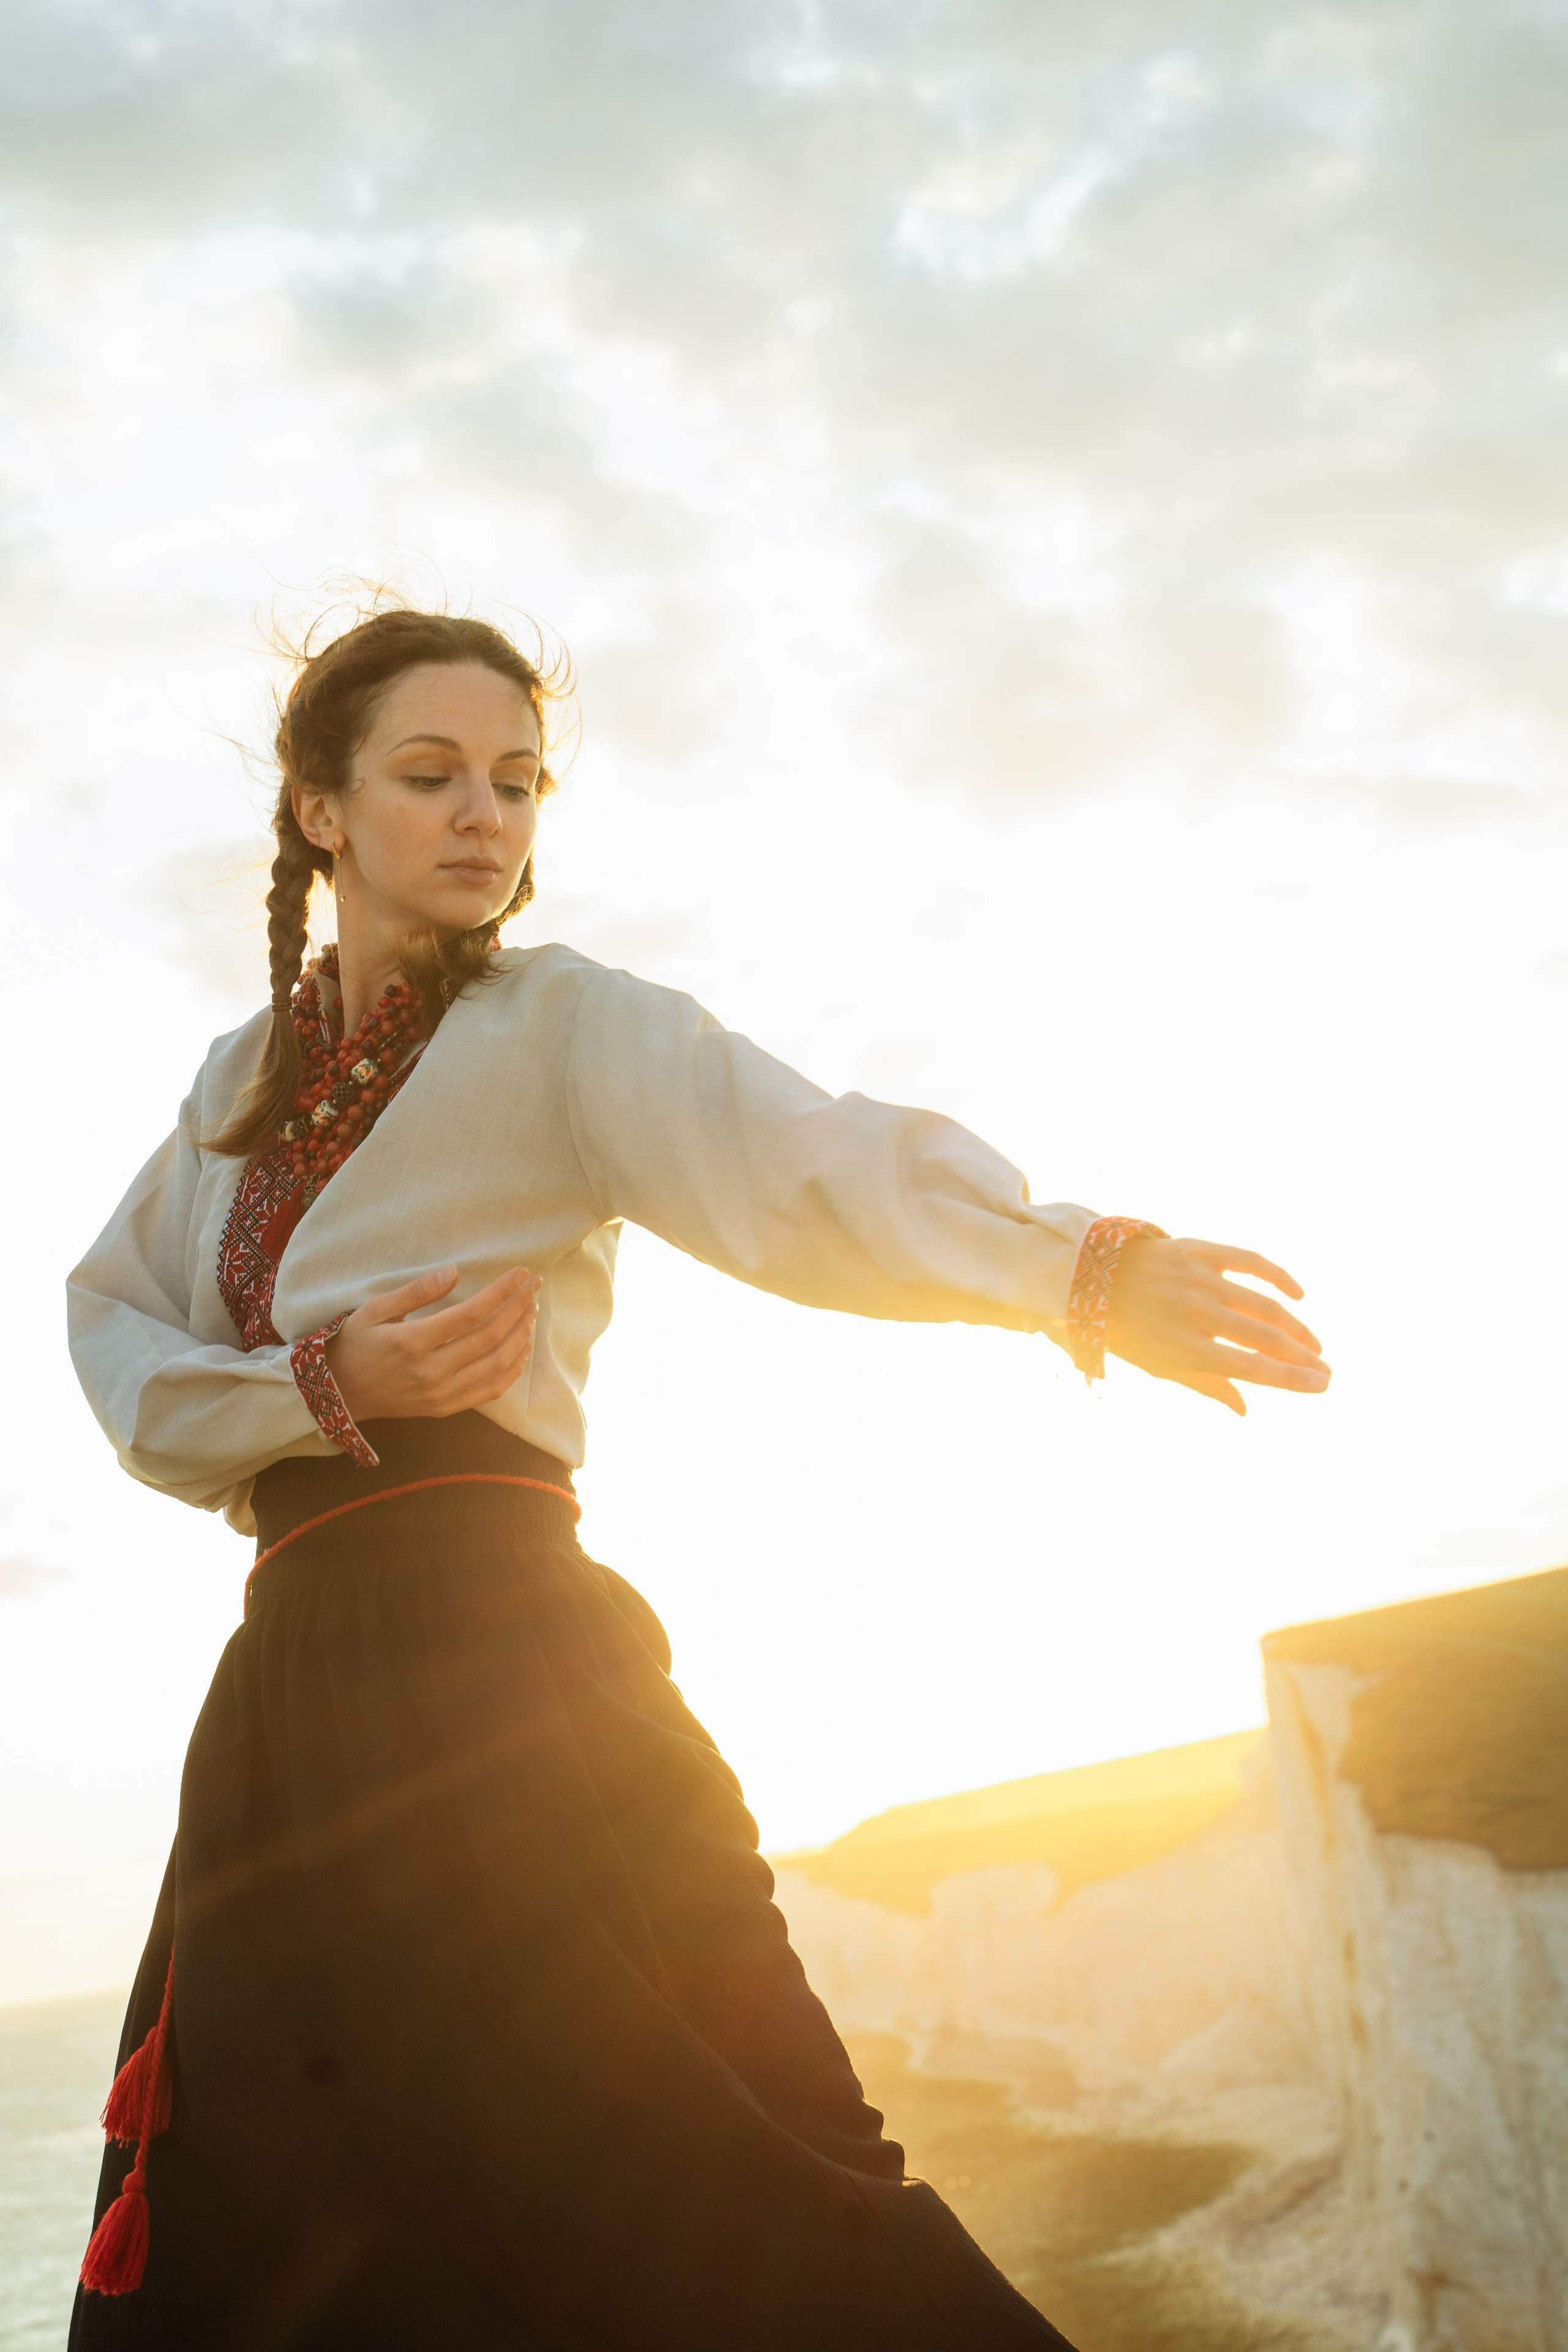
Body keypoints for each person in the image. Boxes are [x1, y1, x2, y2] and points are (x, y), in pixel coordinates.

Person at [66, 605, 1330, 2351]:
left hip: (502, 1666)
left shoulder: (561, 1022)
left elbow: (803, 1165)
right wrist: (323, 1384)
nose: (485, 815)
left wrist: (1079, 1269)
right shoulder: (234, 1090)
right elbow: (117, 1341)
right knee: (299, 2220)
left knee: (716, 2154)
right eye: (431, 775)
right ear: (321, 809)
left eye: (518, 781)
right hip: (287, 1708)